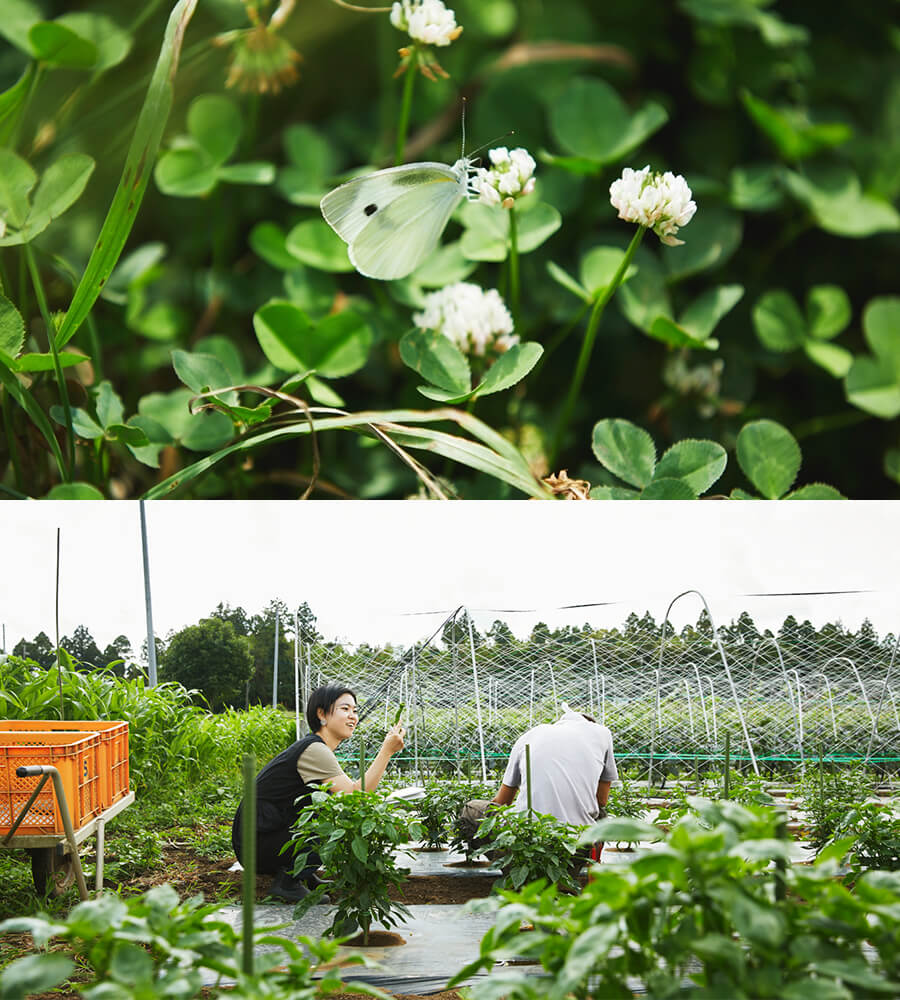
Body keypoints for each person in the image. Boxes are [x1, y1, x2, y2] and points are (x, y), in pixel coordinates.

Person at [232, 682, 405, 902]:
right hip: (256, 845)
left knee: (327, 805)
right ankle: (288, 883)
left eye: (355, 710)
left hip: (259, 839)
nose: (353, 716)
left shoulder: (315, 748)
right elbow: (354, 798)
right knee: (336, 818)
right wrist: (386, 751)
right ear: (321, 714)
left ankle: (306, 875)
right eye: (345, 709)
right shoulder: (314, 750)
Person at [459, 704, 618, 855]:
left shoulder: (530, 735)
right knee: (601, 814)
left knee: (470, 809)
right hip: (578, 842)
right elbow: (601, 800)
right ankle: (586, 863)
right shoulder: (602, 733)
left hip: (527, 839)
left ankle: (507, 864)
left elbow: (502, 802)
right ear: (590, 724)